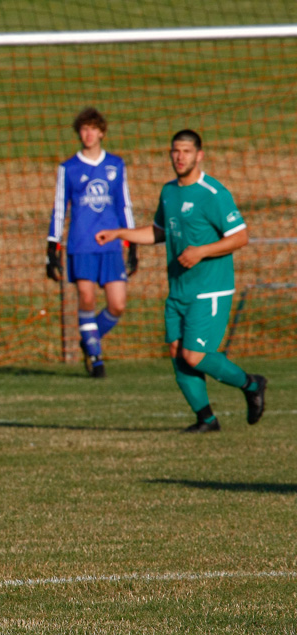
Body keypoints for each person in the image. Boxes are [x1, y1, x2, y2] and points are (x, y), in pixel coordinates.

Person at [95, 129, 267, 432]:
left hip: (209, 289)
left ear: (199, 155)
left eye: (186, 151)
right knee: (177, 352)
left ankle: (251, 384)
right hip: (179, 289)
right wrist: (120, 233)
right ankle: (207, 419)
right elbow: (159, 232)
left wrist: (201, 251)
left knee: (194, 354)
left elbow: (240, 237)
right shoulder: (169, 192)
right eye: (175, 151)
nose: (179, 156)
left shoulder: (213, 194)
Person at [47, 107, 137, 378]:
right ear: (79, 133)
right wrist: (52, 245)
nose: (88, 134)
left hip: (111, 245)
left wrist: (132, 243)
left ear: (102, 132)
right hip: (81, 243)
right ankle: (95, 356)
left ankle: (88, 340)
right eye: (83, 129)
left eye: (92, 129)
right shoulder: (69, 168)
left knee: (117, 304)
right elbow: (60, 208)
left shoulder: (116, 165)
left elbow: (125, 204)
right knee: (86, 298)